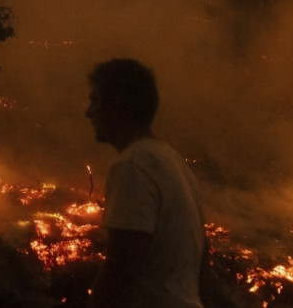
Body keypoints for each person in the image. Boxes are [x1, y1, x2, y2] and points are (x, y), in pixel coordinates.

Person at [86, 58, 210, 307]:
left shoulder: (133, 165)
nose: (88, 112)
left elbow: (120, 271)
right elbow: (203, 263)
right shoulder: (174, 163)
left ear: (116, 104)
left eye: (94, 101)